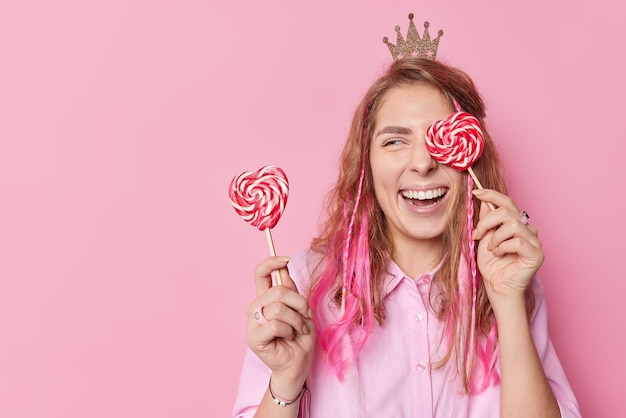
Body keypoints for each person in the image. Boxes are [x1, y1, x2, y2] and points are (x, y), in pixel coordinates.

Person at [232, 55, 580, 417]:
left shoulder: (510, 279)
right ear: (365, 165)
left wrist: (508, 302)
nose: (423, 163)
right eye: (395, 141)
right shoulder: (303, 285)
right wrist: (287, 380)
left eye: (439, 138)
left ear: (470, 155)